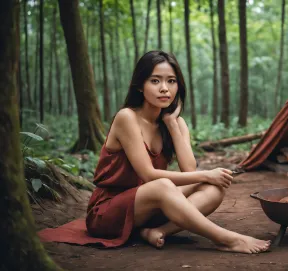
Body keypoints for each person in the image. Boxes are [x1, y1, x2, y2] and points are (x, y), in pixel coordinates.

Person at [85, 50, 270, 254]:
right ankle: (226, 239)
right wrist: (208, 173)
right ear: (140, 86)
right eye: (155, 81)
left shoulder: (175, 121)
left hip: (148, 208)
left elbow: (188, 170)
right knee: (164, 185)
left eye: (171, 81)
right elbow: (148, 175)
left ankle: (157, 231)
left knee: (213, 188)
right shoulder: (126, 117)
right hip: (109, 212)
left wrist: (172, 124)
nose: (164, 89)